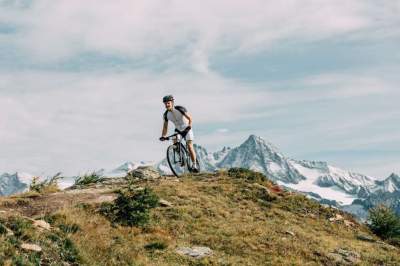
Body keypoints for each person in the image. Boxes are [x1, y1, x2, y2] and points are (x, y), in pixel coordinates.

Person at [159, 95, 199, 172]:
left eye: (168, 103)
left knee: (190, 146)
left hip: (187, 128)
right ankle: (181, 157)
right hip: (178, 130)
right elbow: (165, 127)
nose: (167, 105)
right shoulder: (166, 115)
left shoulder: (180, 109)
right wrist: (163, 136)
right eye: (165, 103)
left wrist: (189, 126)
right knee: (174, 142)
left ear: (172, 103)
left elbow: (190, 118)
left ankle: (194, 164)